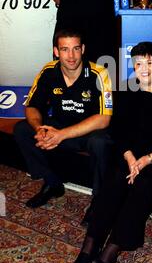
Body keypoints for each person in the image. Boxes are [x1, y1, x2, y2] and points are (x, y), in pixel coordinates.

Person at [67, 41, 152, 263]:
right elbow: (119, 130)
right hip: (131, 156)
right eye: (138, 63)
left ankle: (110, 251)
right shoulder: (128, 91)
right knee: (115, 176)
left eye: (149, 62)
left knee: (143, 183)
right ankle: (90, 246)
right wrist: (131, 157)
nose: (143, 68)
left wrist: (146, 160)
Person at [14, 28, 113, 224]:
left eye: (76, 49)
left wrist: (61, 135)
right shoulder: (48, 71)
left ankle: (99, 200)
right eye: (65, 49)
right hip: (59, 127)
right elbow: (32, 106)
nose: (71, 55)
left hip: (87, 132)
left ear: (83, 49)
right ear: (56, 51)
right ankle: (52, 183)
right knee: (22, 129)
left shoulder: (98, 73)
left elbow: (104, 119)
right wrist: (39, 129)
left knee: (101, 142)